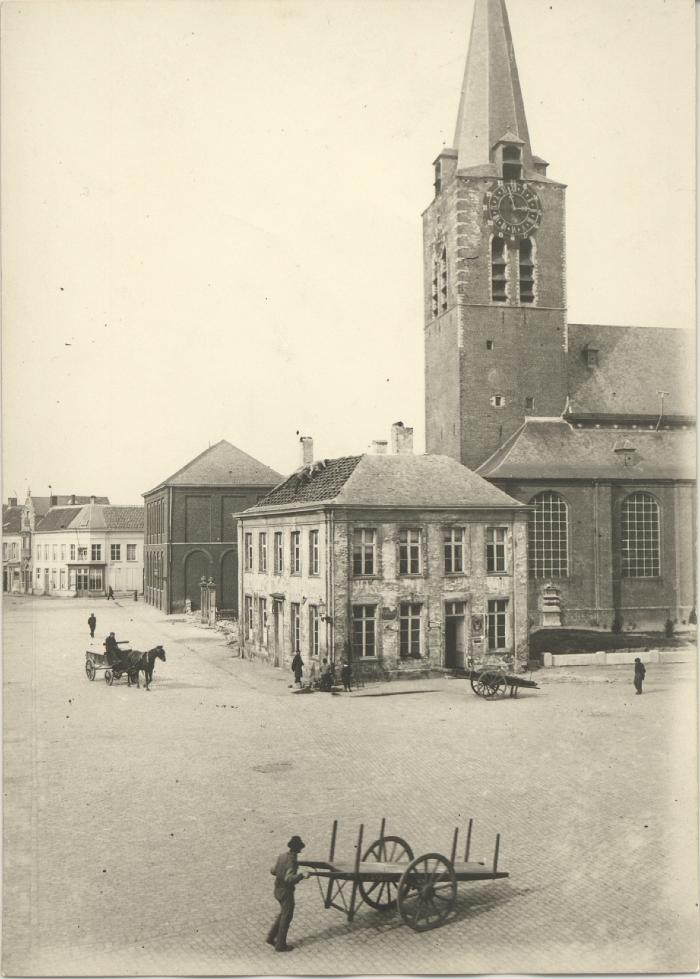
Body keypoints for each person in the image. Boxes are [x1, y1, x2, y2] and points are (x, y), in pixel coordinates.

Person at [266, 836, 309, 952]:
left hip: (277, 890)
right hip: (286, 892)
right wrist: (301, 876)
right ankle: (280, 945)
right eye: (300, 848)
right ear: (298, 849)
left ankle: (271, 937)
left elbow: (273, 870)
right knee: (286, 917)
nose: (301, 850)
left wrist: (281, 870)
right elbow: (289, 878)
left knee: (282, 914)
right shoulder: (292, 861)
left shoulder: (282, 856)